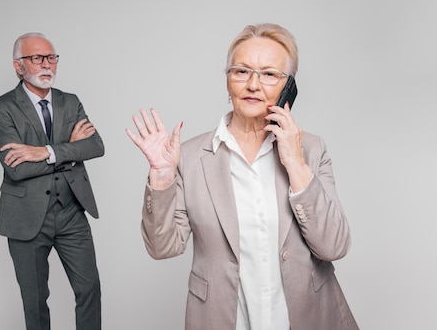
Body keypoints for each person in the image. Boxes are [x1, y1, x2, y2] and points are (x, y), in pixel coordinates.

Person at [125, 23, 358, 330]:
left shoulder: (311, 149)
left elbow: (334, 247)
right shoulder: (192, 155)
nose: (253, 85)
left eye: (269, 74)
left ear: (289, 87)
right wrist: (162, 176)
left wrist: (296, 163)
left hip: (305, 318)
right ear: (227, 81)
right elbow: (163, 247)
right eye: (241, 71)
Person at [0, 32, 104, 330]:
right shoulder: (1, 108)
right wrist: (68, 149)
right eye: (37, 58)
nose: (46, 64)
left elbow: (96, 146)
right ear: (19, 66)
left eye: (51, 57)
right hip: (25, 217)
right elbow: (16, 170)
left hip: (71, 213)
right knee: (35, 301)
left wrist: (43, 151)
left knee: (89, 290)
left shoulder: (70, 101)